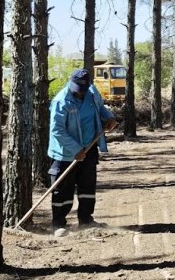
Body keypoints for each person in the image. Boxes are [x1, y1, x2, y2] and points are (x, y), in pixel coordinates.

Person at [48, 69, 116, 237]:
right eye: (76, 88)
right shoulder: (61, 101)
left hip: (89, 147)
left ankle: (86, 220)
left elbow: (100, 109)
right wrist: (75, 150)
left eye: (82, 89)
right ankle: (58, 224)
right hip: (65, 152)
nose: (79, 93)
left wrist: (109, 117)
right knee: (63, 189)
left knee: (87, 185)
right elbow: (57, 131)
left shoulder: (92, 93)